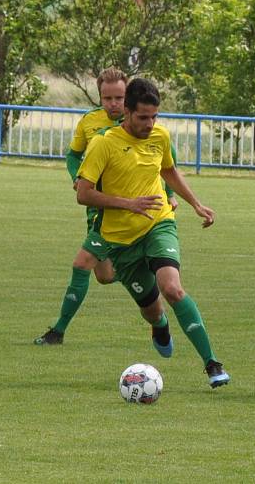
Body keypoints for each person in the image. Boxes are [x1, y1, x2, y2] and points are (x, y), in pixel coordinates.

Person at [75, 78, 230, 388]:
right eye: (143, 117)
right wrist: (127, 204)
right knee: (152, 308)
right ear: (127, 113)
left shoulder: (160, 136)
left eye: (154, 117)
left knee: (172, 288)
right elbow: (83, 193)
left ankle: (212, 364)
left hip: (159, 223)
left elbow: (168, 170)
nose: (150, 124)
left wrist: (196, 204)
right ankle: (159, 326)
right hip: (120, 240)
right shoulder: (103, 143)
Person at [35, 68, 179, 345]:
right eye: (106, 97)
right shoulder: (91, 124)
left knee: (82, 263)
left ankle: (58, 331)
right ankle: (142, 271)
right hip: (101, 208)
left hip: (139, 210)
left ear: (128, 100)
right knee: (104, 275)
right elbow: (73, 156)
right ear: (100, 97)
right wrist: (78, 178)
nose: (113, 103)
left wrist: (170, 194)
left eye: (118, 97)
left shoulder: (145, 127)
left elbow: (165, 165)